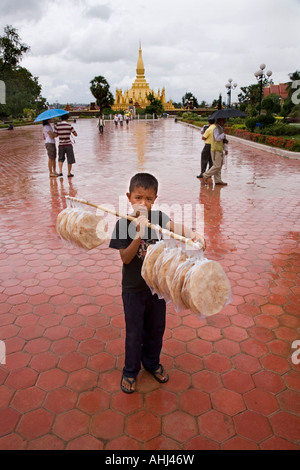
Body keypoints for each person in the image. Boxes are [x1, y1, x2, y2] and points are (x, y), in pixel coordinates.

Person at [109, 173, 205, 393]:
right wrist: (138, 235)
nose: (144, 203)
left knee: (156, 329)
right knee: (134, 332)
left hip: (157, 289)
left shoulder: (158, 218)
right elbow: (125, 258)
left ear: (155, 199)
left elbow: (175, 227)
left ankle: (151, 363)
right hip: (133, 290)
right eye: (138, 197)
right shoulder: (123, 224)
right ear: (129, 197)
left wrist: (194, 234)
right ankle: (130, 370)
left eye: (149, 198)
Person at [203, 118, 228, 186]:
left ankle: (218, 180)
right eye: (224, 121)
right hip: (215, 150)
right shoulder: (216, 129)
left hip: (220, 149)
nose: (225, 122)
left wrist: (226, 148)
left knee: (219, 166)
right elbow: (217, 138)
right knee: (216, 165)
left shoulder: (221, 129)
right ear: (220, 121)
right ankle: (205, 175)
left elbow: (222, 140)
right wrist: (223, 135)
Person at [54, 114, 78, 178]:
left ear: (61, 119)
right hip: (68, 144)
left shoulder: (57, 126)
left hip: (61, 145)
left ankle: (60, 171)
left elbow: (55, 135)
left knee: (60, 158)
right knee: (70, 159)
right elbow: (75, 134)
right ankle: (69, 173)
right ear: (67, 119)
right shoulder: (69, 126)